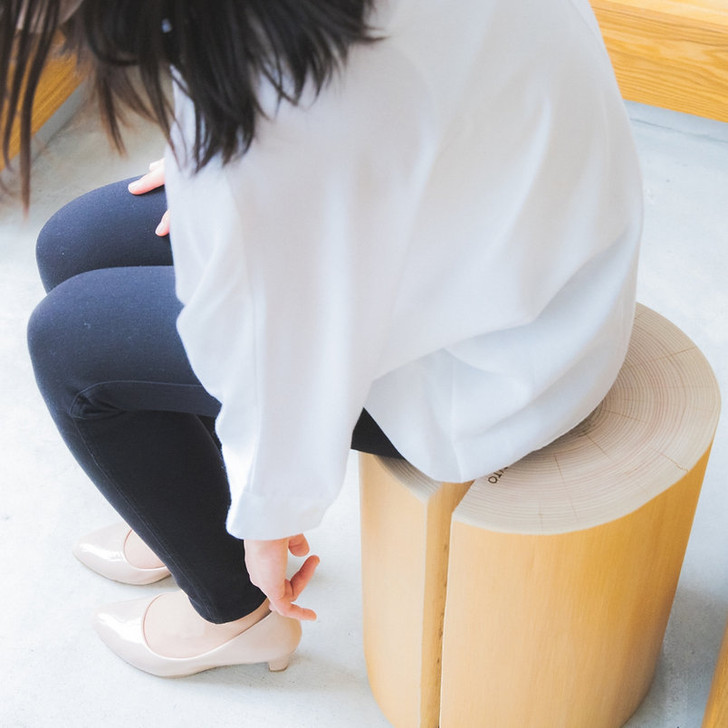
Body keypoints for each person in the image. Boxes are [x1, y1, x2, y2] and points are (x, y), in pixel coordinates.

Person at [2, 0, 642, 677]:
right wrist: (211, 145)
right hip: (492, 236)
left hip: (491, 363)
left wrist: (267, 514)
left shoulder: (289, 98)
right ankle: (186, 507)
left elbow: (277, 343)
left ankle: (234, 612)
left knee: (70, 344)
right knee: (75, 246)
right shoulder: (279, 51)